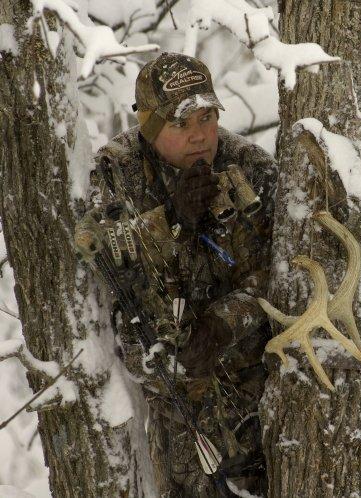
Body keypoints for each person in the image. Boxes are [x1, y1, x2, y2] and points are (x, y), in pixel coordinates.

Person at [77, 52, 276, 497]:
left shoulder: (251, 166)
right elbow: (103, 256)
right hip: (179, 414)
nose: (199, 136)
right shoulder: (116, 170)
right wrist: (172, 219)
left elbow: (281, 274)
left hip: (260, 399)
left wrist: (226, 321)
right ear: (149, 127)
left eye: (206, 118)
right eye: (180, 125)